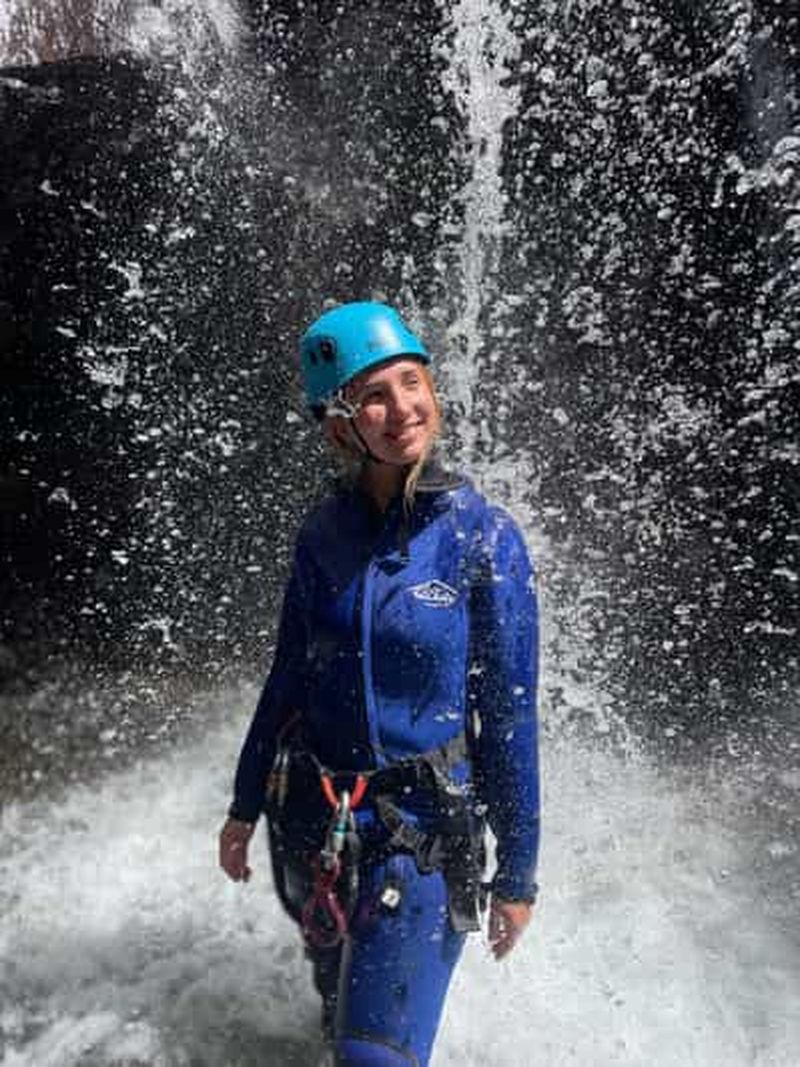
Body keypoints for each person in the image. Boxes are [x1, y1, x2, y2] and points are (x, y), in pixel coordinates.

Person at [219, 301, 540, 1067]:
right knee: (334, 1025)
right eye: (374, 395)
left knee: (372, 1059)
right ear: (340, 425)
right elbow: (288, 677)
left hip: (422, 834)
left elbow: (510, 718)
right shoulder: (321, 534)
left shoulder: (483, 538)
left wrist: (517, 872)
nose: (402, 408)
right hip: (314, 822)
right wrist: (243, 804)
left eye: (411, 382)